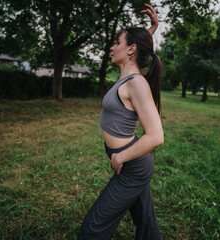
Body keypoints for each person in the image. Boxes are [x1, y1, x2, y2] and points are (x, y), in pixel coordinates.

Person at [78, 4, 164, 240]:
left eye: (118, 42)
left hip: (132, 167)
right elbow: (140, 46)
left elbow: (156, 136)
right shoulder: (126, 79)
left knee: (92, 231)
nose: (113, 46)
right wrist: (153, 28)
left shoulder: (136, 84)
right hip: (132, 163)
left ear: (131, 49)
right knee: (146, 220)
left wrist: (120, 157)